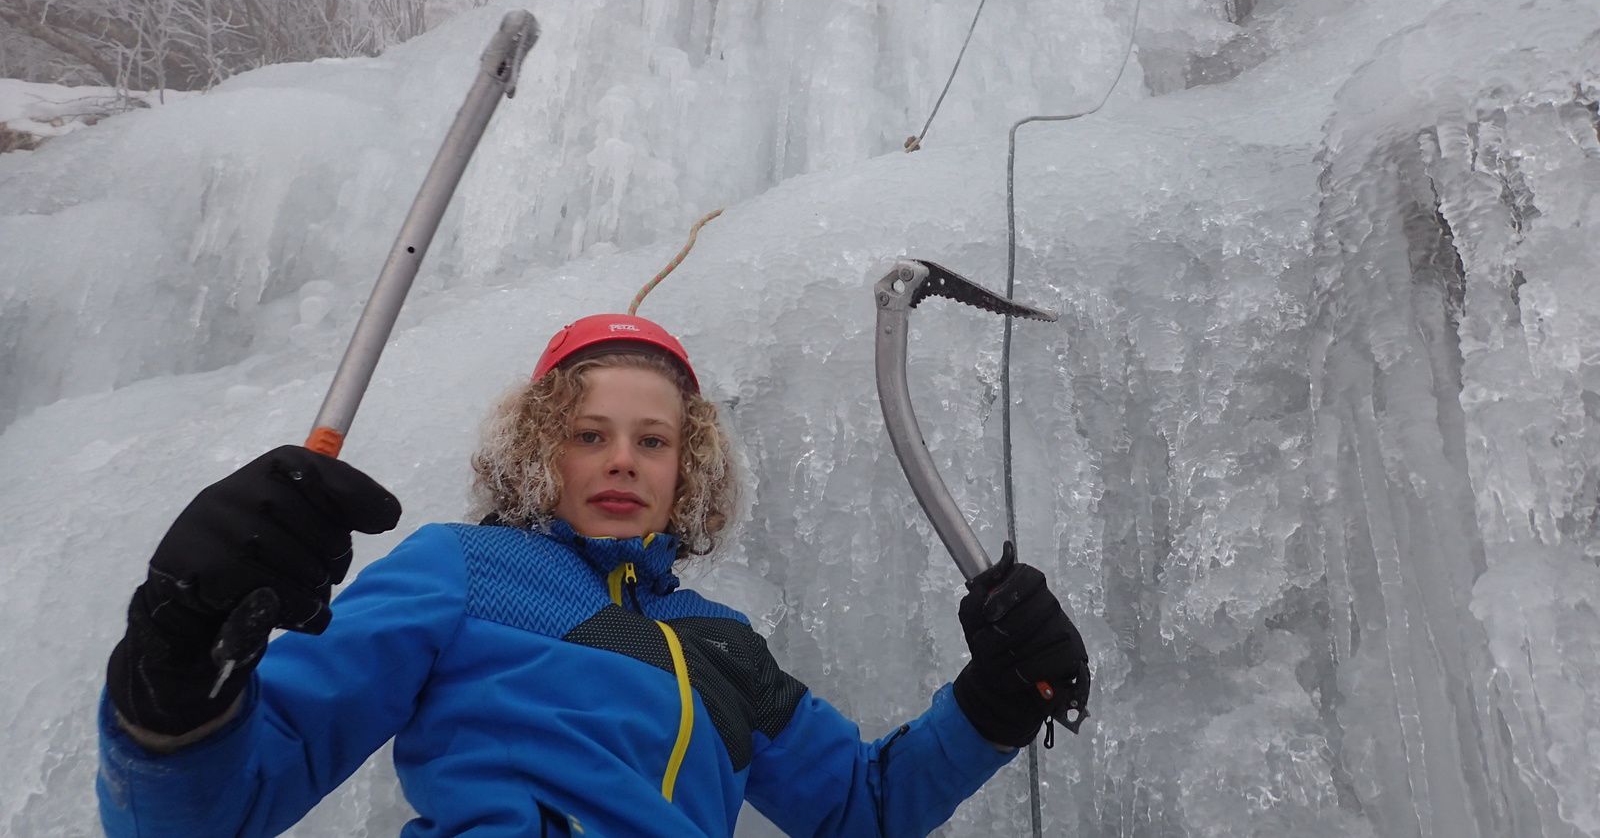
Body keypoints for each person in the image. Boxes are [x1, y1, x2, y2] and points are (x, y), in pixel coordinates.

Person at [97, 313, 1091, 837]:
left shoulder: (723, 648)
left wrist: (993, 704)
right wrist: (178, 661)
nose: (621, 459)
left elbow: (862, 811)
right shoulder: (464, 570)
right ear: (541, 452)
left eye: (652, 441)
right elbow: (215, 810)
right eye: (588, 434)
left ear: (685, 469)